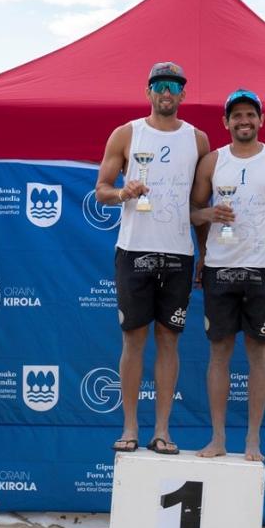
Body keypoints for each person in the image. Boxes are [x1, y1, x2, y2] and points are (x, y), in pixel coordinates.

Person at [95, 62, 210, 455]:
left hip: (179, 252)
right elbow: (101, 191)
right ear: (148, 92)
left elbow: (200, 202)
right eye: (160, 85)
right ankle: (129, 427)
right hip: (134, 249)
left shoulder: (199, 140)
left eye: (174, 86)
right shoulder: (126, 133)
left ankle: (162, 430)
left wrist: (205, 250)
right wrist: (123, 192)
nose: (166, 92)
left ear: (182, 94)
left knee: (169, 342)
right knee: (133, 341)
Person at [189, 89, 265, 462]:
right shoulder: (211, 161)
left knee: (259, 355)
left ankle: (253, 440)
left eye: (250, 115)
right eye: (236, 115)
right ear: (226, 122)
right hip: (221, 269)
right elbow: (192, 212)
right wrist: (207, 230)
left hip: (264, 270)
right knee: (218, 354)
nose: (243, 121)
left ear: (261, 120)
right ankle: (218, 438)